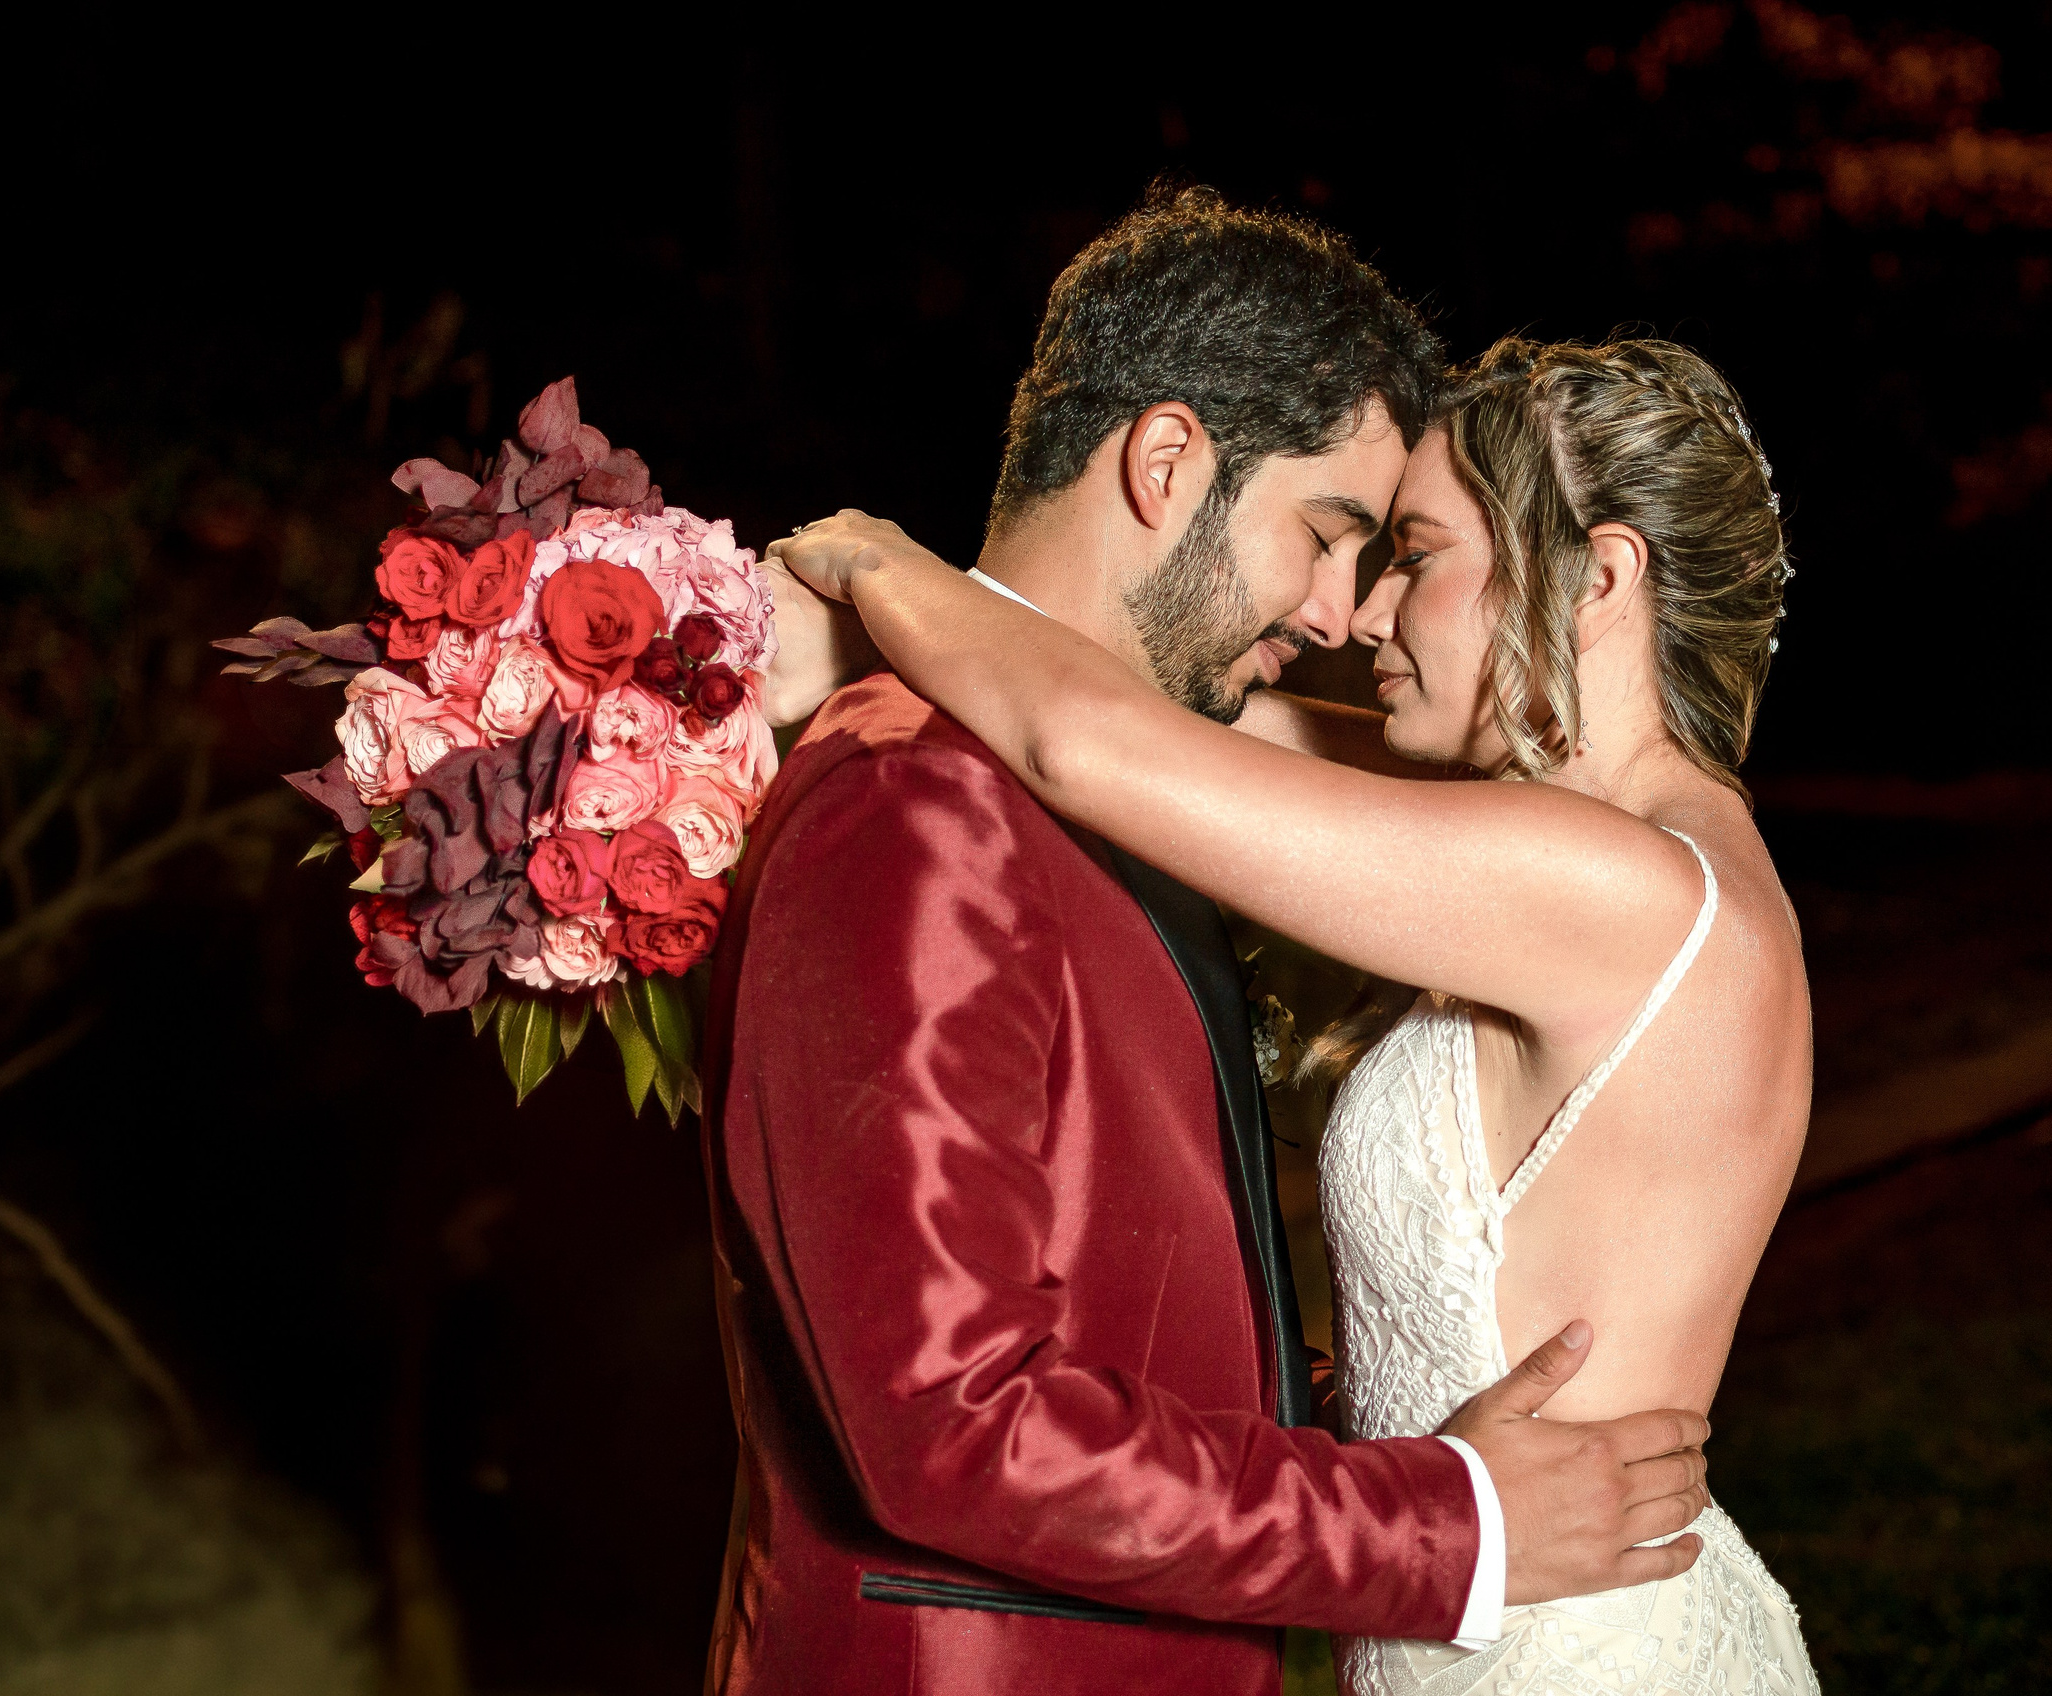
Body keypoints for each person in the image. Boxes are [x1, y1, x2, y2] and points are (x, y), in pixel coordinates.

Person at [703, 187, 1719, 1696]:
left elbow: (1126, 1291)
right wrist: (1445, 1521)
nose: (1335, 612)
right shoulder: (922, 797)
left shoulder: (1117, 781)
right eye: (1327, 533)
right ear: (1168, 459)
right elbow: (950, 1422)